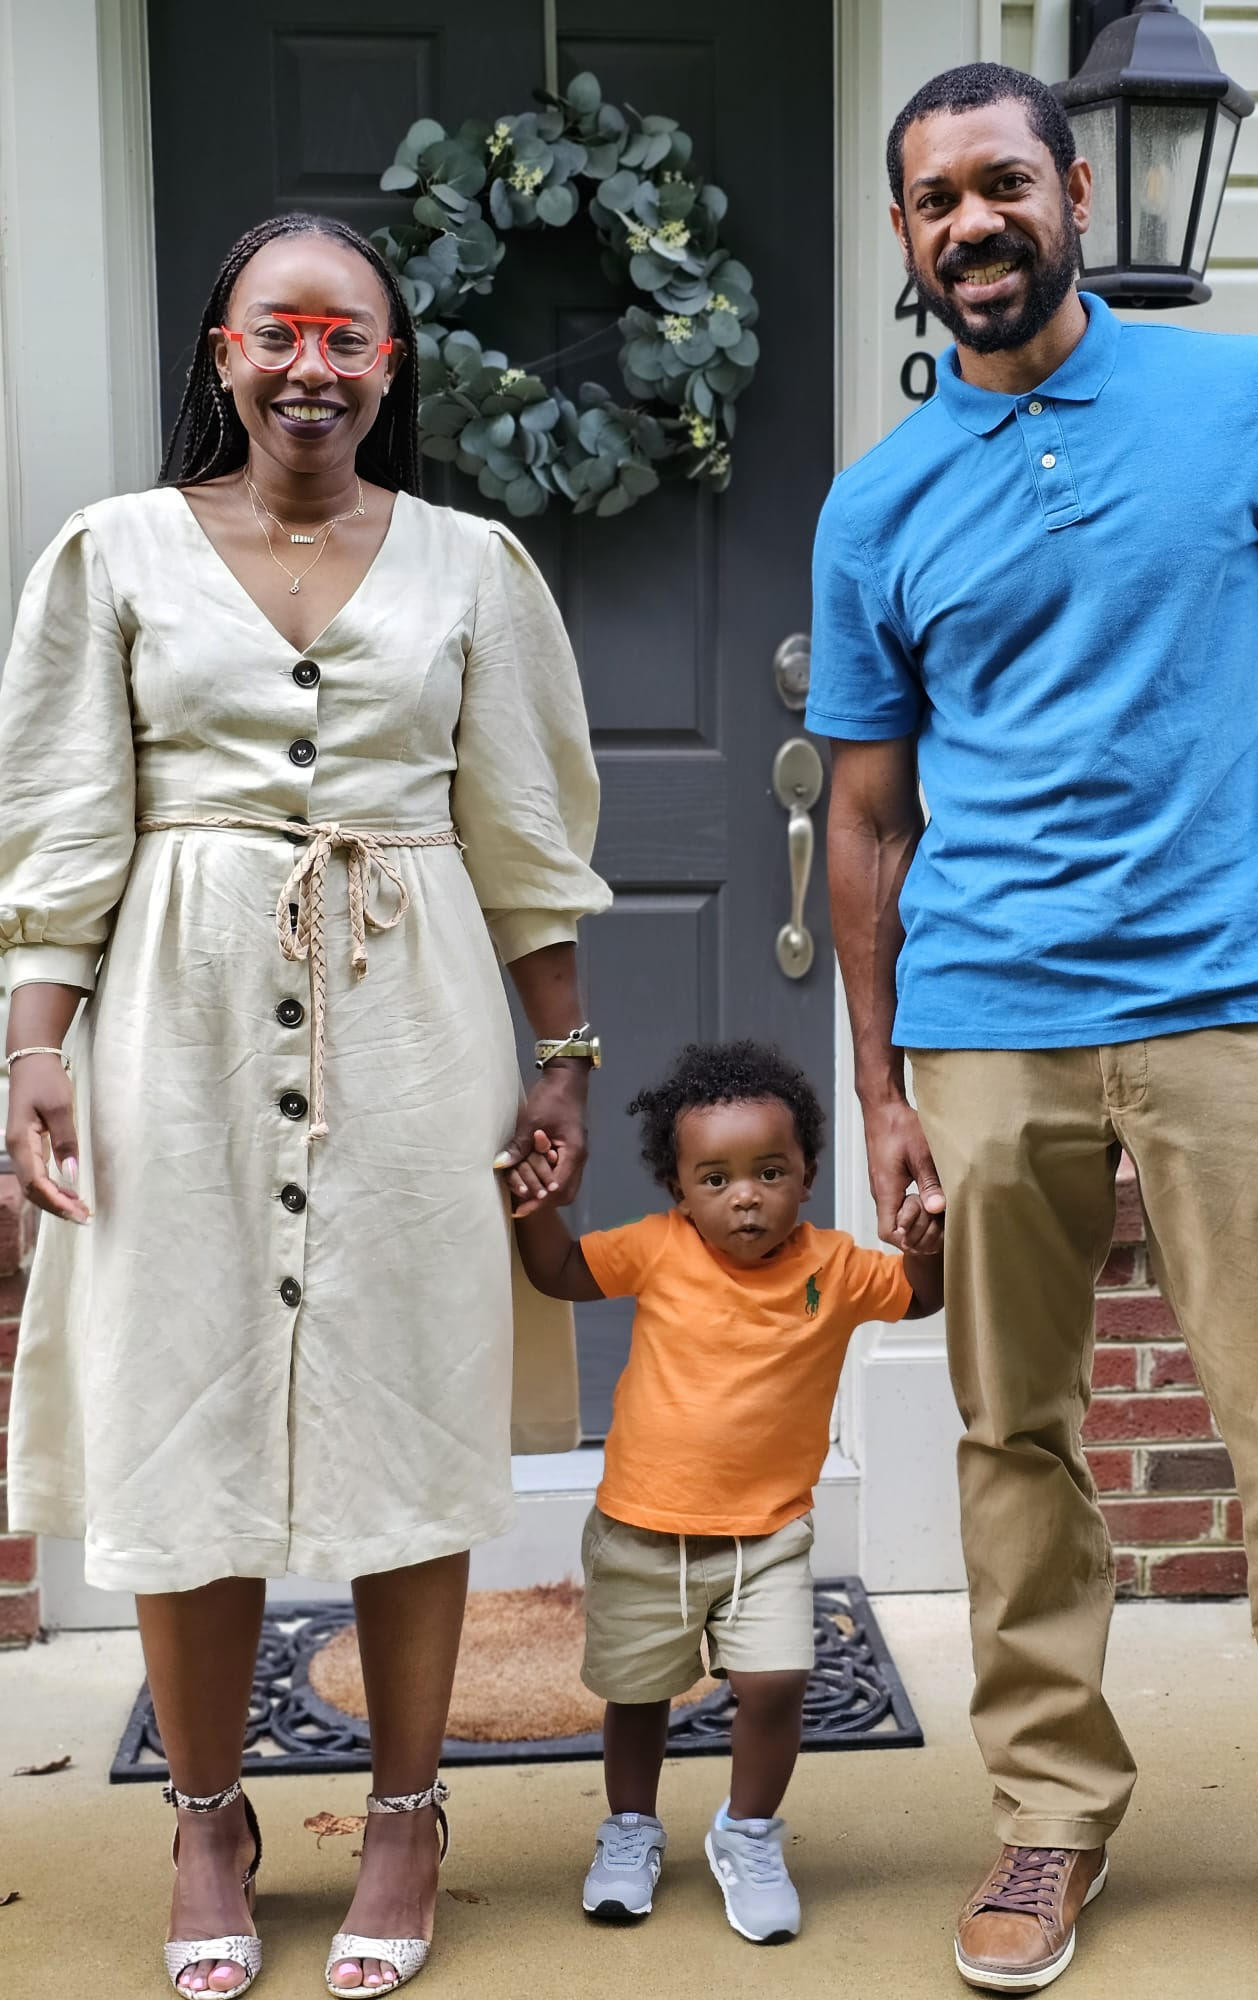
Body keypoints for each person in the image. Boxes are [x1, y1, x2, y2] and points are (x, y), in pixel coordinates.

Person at [809, 61, 1258, 2000]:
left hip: (1233, 1003)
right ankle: (1048, 1810)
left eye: (1001, 182)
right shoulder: (879, 504)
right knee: (1015, 1435)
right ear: (905, 237)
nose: (972, 222)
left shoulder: (1244, 400)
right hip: (988, 1026)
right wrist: (879, 1088)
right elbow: (863, 814)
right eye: (935, 199)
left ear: (1076, 193)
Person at [0, 210, 611, 1998]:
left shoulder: (474, 566)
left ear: (388, 366)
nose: (311, 366)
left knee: (412, 1408)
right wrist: (34, 1049)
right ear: (224, 353)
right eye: (278, 332)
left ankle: (407, 1811)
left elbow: (524, 832)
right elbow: (63, 826)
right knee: (179, 1409)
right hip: (172, 1027)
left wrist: (564, 1056)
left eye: (348, 336)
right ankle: (207, 1816)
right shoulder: (112, 553)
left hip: (412, 1023)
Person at [509, 1039, 943, 1943]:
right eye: (716, 1179)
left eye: (769, 1172)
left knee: (776, 1681)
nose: (745, 1196)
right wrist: (536, 1209)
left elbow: (919, 1298)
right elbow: (558, 1273)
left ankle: (747, 1832)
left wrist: (927, 1247)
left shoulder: (835, 1267)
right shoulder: (656, 1249)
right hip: (642, 1529)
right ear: (679, 1190)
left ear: (808, 1176)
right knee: (638, 1694)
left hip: (768, 1535)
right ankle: (631, 1829)